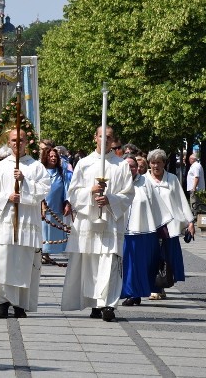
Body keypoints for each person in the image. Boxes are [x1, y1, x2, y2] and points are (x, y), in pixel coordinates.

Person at [61, 126, 134, 322]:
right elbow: (73, 193)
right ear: (95, 138)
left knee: (109, 262)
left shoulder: (121, 165)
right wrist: (91, 192)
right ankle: (94, 303)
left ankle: (108, 304)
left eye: (109, 137)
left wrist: (110, 199)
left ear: (114, 141)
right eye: (102, 136)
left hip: (110, 222)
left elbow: (128, 194)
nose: (105, 140)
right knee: (91, 265)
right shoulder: (84, 164)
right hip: (88, 222)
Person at [0, 129, 50, 319]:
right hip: (5, 222)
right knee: (3, 263)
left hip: (27, 222)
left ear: (26, 142)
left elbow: (44, 189)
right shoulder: (1, 166)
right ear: (9, 142)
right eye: (13, 140)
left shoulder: (36, 167)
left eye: (20, 140)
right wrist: (7, 197)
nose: (17, 143)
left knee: (23, 263)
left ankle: (20, 304)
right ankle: (2, 303)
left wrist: (25, 182)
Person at [121, 155, 172, 306]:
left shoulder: (145, 183)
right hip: (122, 231)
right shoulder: (117, 182)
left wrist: (161, 227)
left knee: (139, 265)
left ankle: (134, 293)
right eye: (127, 166)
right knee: (126, 264)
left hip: (143, 231)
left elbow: (157, 206)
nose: (130, 169)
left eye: (133, 166)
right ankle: (128, 292)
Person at [145, 149, 195, 300]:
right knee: (151, 256)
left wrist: (190, 222)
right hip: (149, 224)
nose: (155, 166)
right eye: (153, 163)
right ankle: (154, 287)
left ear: (164, 163)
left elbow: (181, 200)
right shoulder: (144, 179)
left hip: (169, 226)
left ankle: (161, 284)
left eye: (158, 162)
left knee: (166, 258)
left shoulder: (172, 179)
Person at [40, 147, 72, 265]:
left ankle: (48, 253)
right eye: (50, 156)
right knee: (43, 230)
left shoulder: (61, 172)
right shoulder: (41, 170)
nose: (53, 158)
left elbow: (66, 187)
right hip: (43, 206)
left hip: (56, 205)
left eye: (55, 156)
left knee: (53, 231)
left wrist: (67, 203)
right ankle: (42, 253)